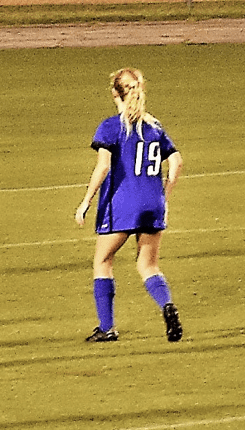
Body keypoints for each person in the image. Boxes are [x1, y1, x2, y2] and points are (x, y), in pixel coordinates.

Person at [75, 68, 184, 343]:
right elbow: (176, 162)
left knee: (102, 261)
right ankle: (167, 306)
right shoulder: (155, 126)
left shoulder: (111, 126)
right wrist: (164, 197)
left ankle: (107, 327)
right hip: (153, 203)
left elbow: (103, 167)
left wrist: (86, 202)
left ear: (115, 92)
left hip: (122, 204)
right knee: (148, 266)